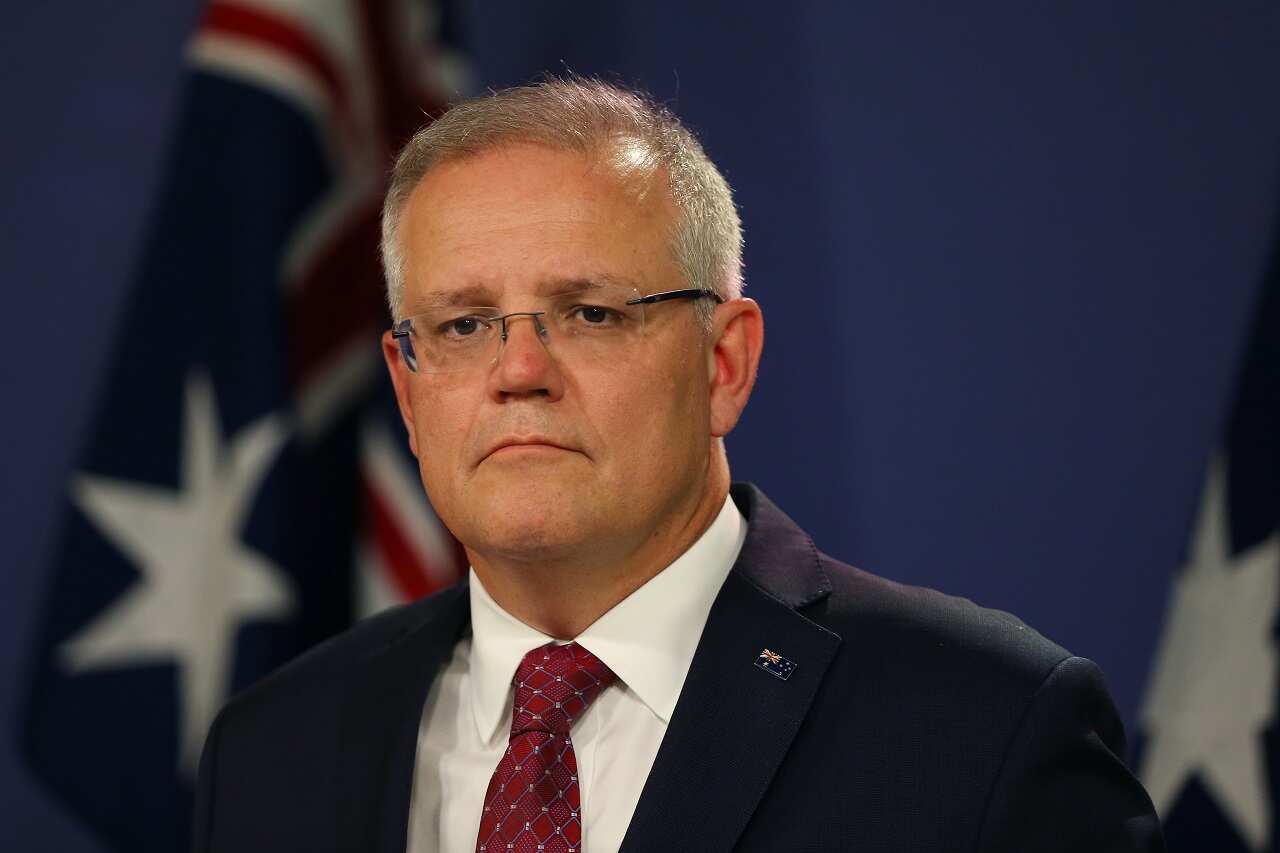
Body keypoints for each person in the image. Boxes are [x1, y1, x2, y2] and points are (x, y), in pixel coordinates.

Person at [192, 78, 1164, 853]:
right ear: (407, 393)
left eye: (591, 312)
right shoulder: (274, 748)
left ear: (722, 363)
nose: (518, 370)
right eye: (463, 324)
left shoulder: (982, 728)